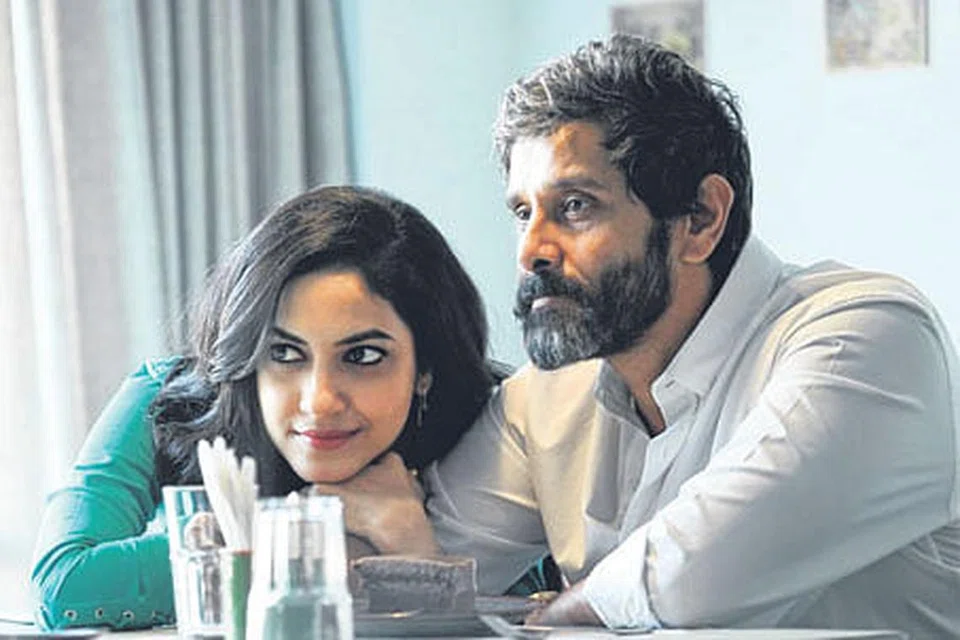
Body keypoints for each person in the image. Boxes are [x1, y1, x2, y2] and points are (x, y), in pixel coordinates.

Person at [347, 35, 960, 638]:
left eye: (576, 206)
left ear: (700, 219)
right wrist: (398, 536)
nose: (532, 250)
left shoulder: (867, 338)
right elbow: (421, 582)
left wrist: (551, 616)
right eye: (523, 213)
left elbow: (690, 576)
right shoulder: (545, 398)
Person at [29, 185, 510, 630]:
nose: (319, 401)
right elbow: (62, 587)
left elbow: (529, 608)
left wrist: (414, 545)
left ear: (426, 367)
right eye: (284, 353)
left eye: (363, 356)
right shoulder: (167, 397)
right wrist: (299, 537)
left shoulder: (496, 431)